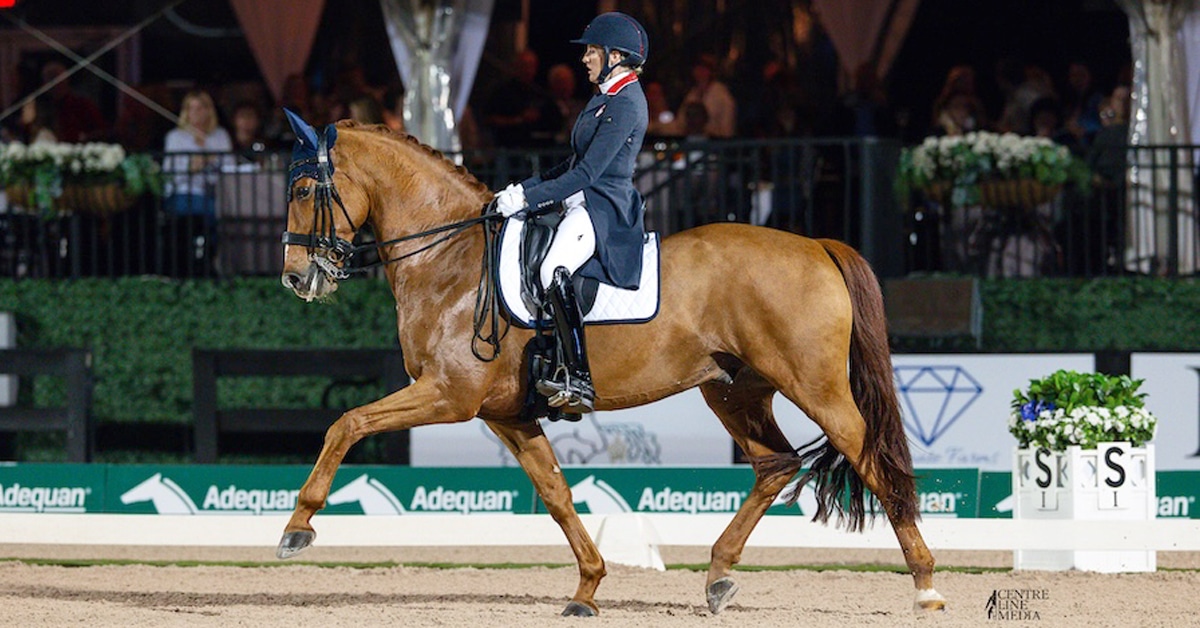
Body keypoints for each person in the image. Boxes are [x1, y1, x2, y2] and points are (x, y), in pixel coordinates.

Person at [492, 12, 650, 412]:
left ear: (616, 55)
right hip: (582, 199)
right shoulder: (604, 98)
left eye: (593, 51)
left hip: (604, 208)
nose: (585, 58)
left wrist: (529, 202)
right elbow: (570, 163)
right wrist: (522, 189)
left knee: (552, 269)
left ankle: (577, 376)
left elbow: (587, 173)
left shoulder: (628, 102)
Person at [162, 89, 232, 221]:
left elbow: (230, 168)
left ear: (208, 111)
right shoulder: (175, 137)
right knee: (212, 210)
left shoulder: (220, 136)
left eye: (200, 108)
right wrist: (190, 168)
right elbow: (168, 175)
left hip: (215, 194)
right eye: (191, 108)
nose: (195, 113)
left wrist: (211, 161)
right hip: (183, 193)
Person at [676, 55, 736, 138]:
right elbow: (681, 121)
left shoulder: (723, 96)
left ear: (710, 71)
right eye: (697, 68)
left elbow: (727, 128)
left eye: (703, 68)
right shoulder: (691, 95)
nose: (700, 72)